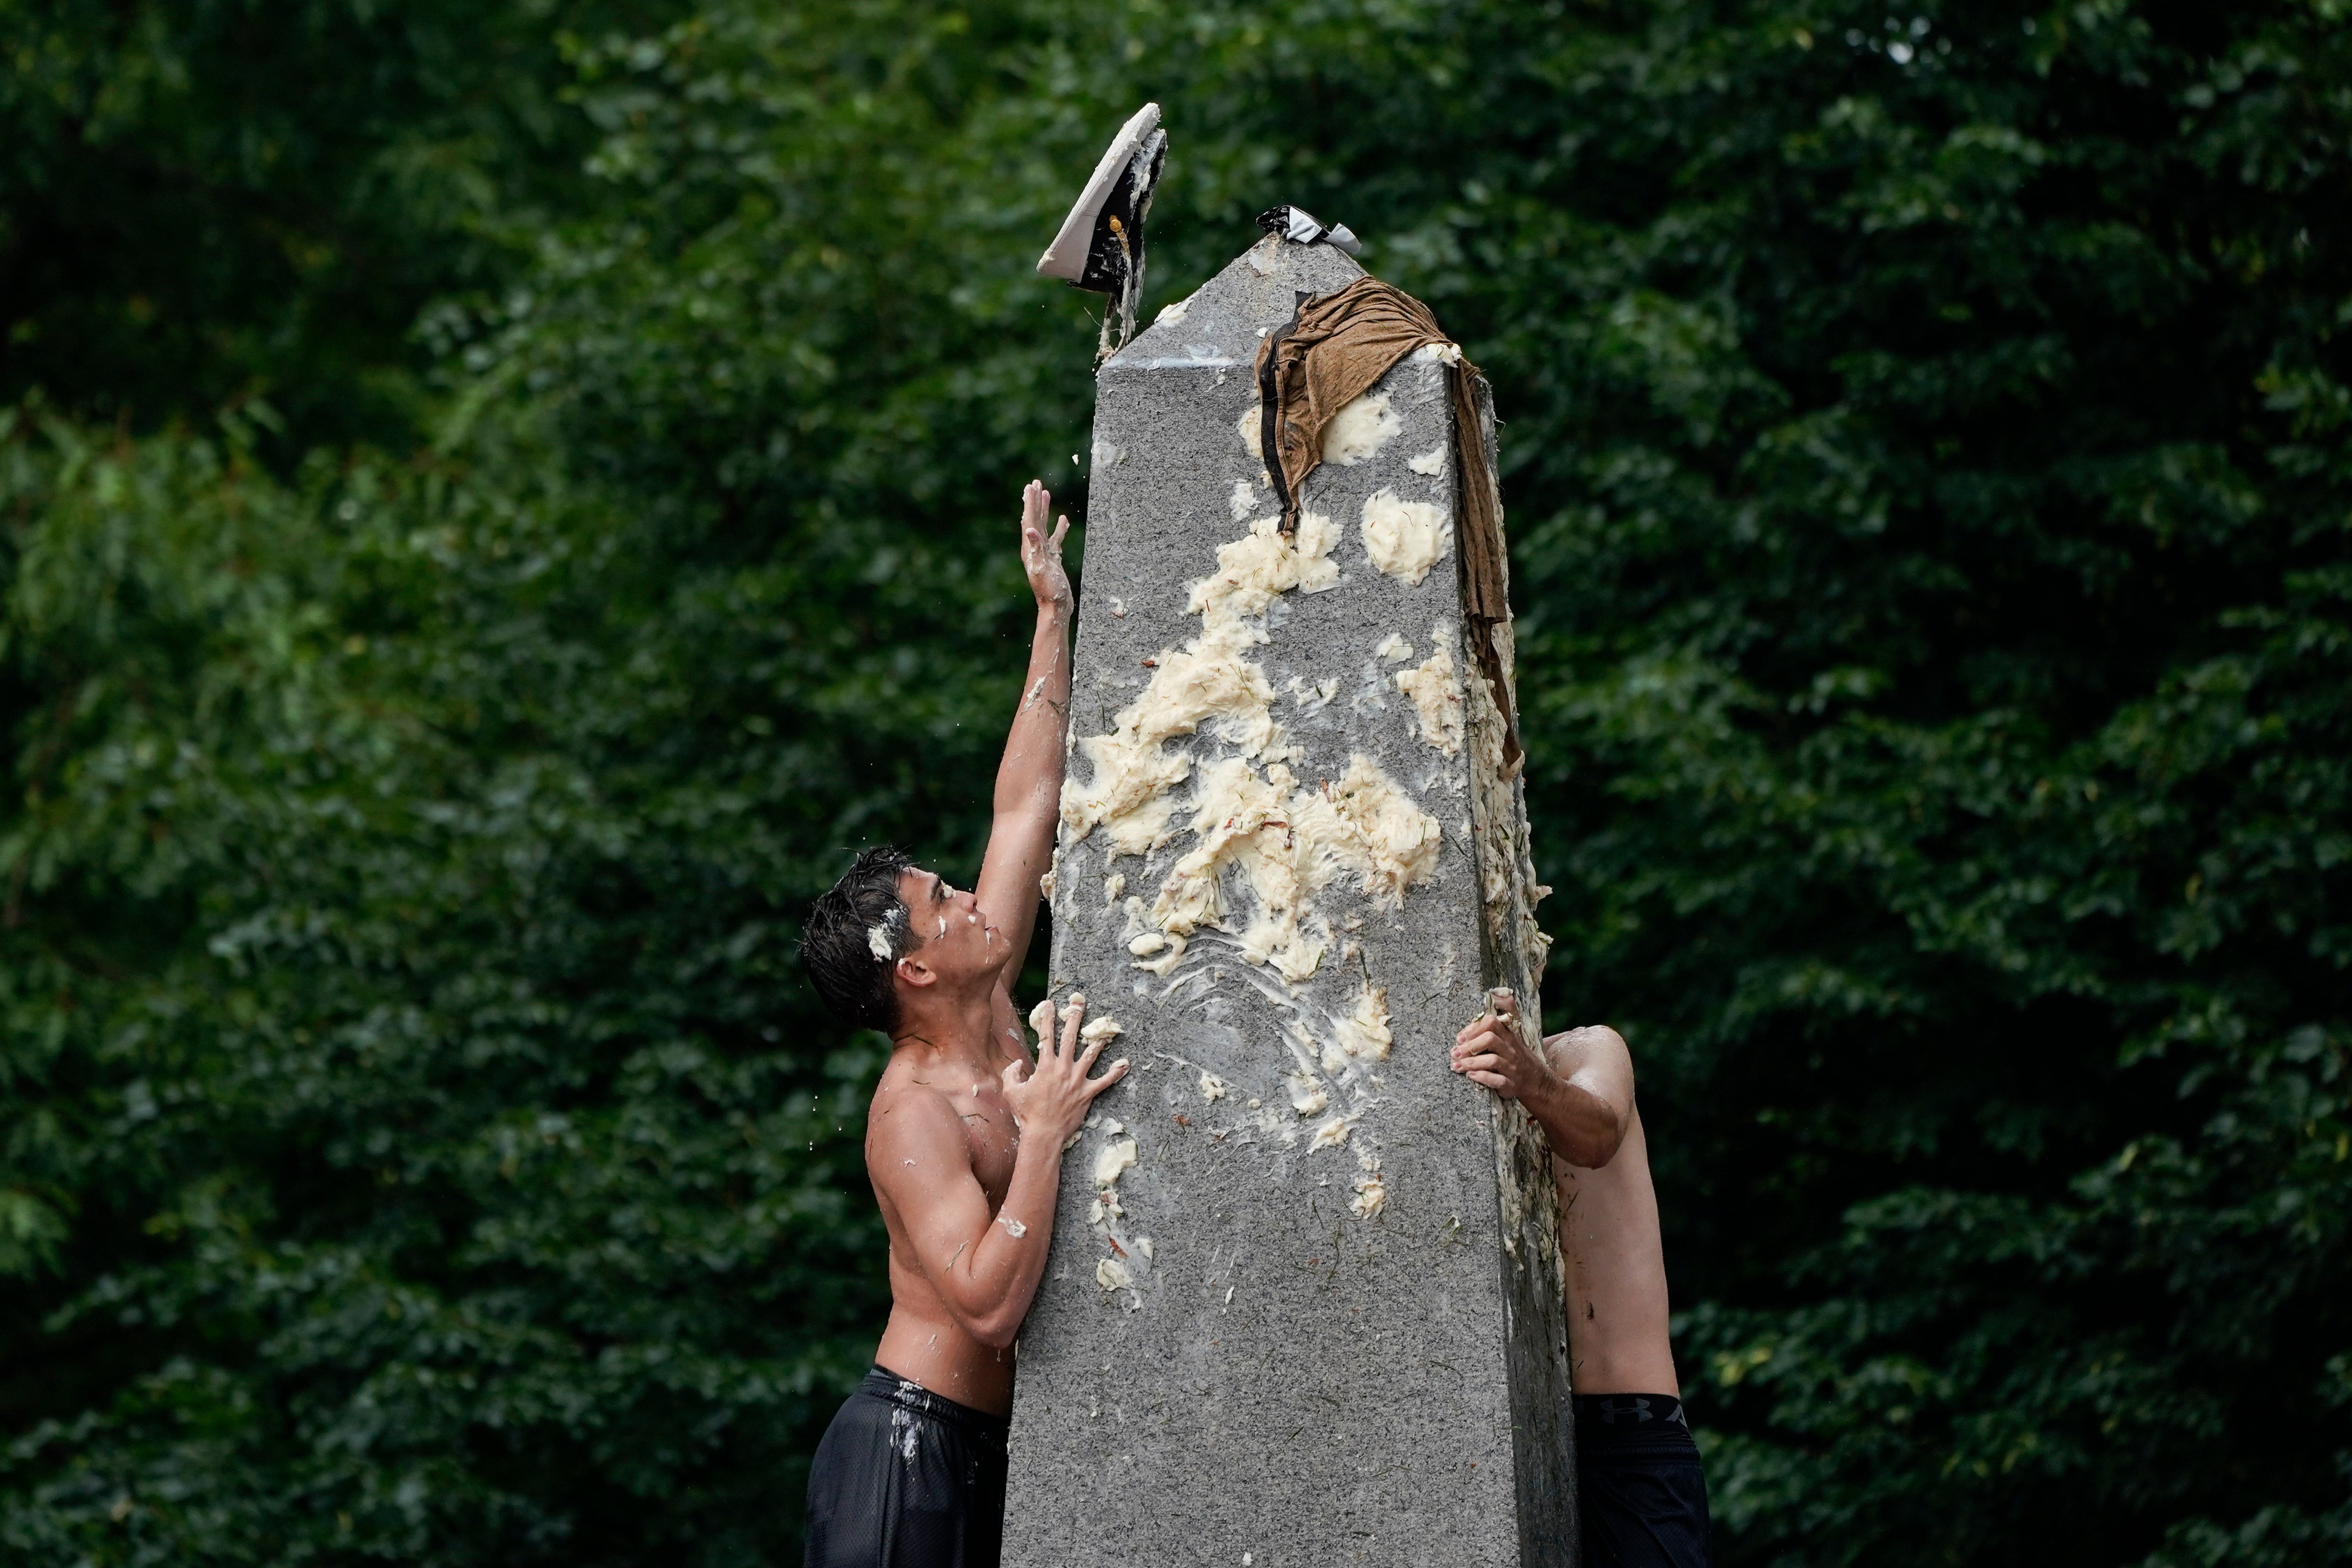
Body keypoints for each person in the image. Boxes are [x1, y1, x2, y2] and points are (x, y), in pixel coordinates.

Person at [796, 480, 1125, 1568]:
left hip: (986, 1453)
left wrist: (1051, 615)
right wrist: (1043, 1135)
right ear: (916, 968)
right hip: (907, 1454)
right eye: (945, 900)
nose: (974, 897)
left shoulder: (984, 995)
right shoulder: (912, 1112)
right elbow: (984, 1305)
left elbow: (1024, 805)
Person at [1452, 989, 1713, 1568]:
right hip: (1504, 1440)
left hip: (1625, 1432)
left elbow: (1597, 1136)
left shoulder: (1584, 1050)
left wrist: (1530, 1079)